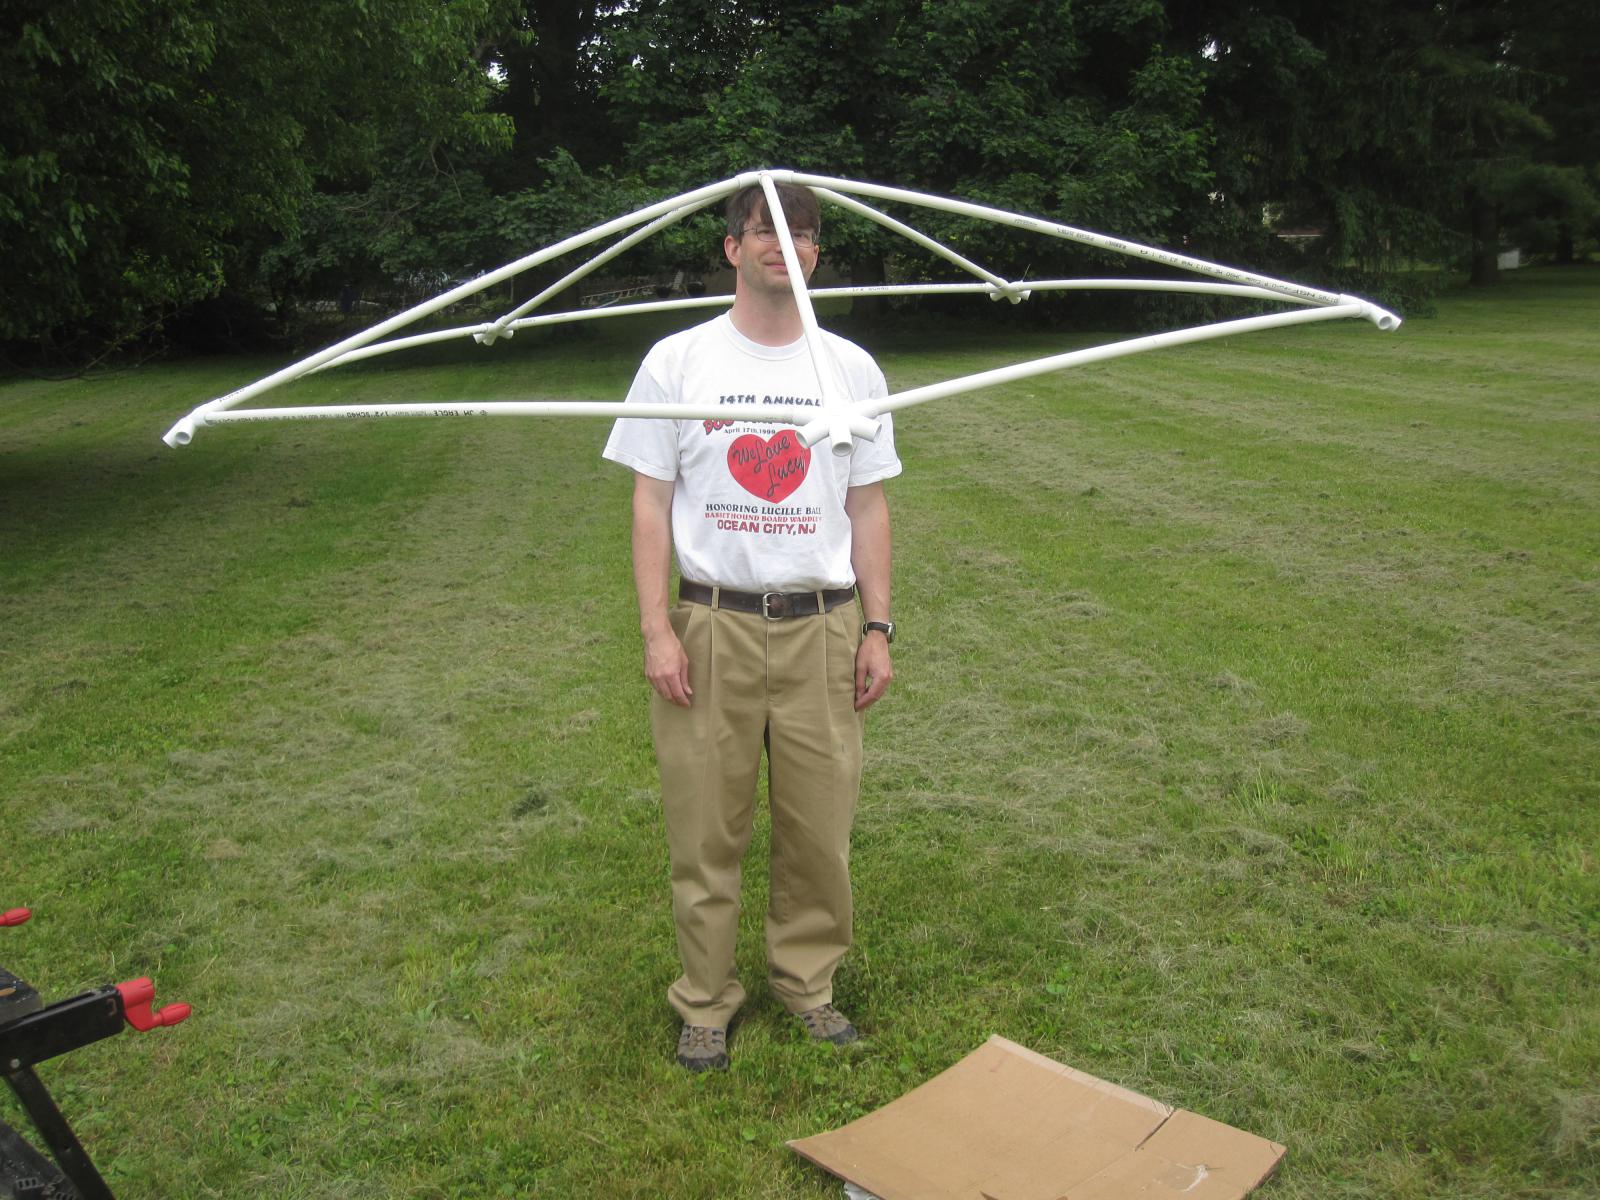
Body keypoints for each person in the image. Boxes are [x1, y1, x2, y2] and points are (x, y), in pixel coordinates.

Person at [602, 182, 900, 1072]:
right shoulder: (678, 362)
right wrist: (657, 630)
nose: (786, 246)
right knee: (705, 830)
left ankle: (808, 986)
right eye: (767, 230)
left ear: (817, 254)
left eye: (803, 234)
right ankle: (704, 1001)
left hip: (822, 627)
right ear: (732, 247)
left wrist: (878, 627)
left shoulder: (850, 370)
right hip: (712, 624)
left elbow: (868, 506)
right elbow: (650, 502)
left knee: (819, 827)